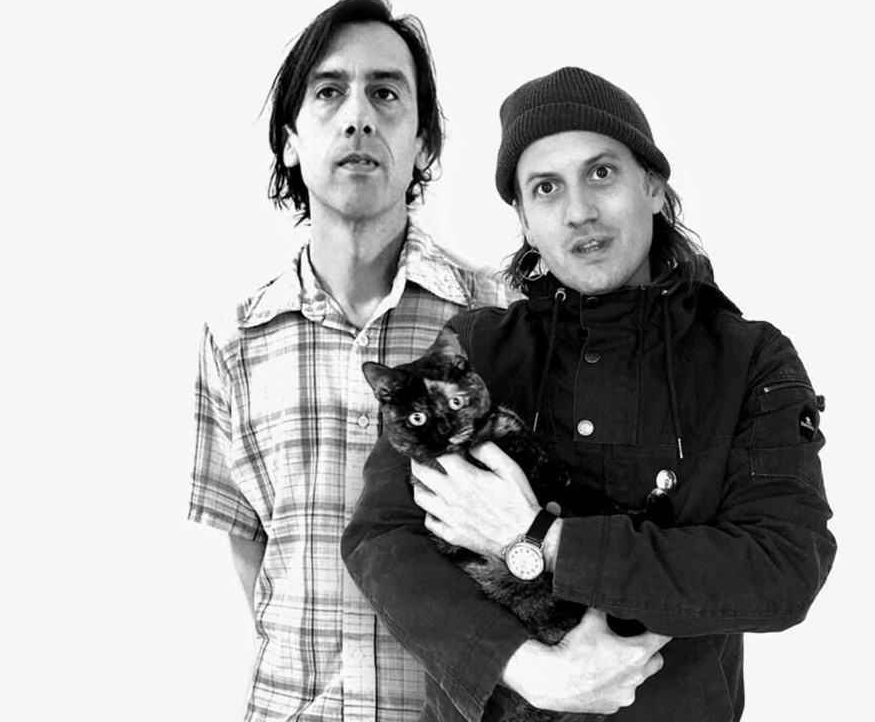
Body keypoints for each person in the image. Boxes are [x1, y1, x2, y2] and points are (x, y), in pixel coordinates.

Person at [342, 66, 836, 721]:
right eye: (546, 188)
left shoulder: (749, 360)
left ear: (653, 188)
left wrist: (542, 538)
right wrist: (523, 667)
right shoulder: (476, 351)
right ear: (525, 219)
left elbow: (783, 568)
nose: (578, 211)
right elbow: (382, 540)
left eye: (601, 173)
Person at [187, 0, 511, 722]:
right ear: (292, 141)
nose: (358, 115)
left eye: (386, 93)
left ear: (424, 145)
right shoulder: (234, 341)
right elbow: (250, 546)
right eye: (329, 92)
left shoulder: (499, 317)